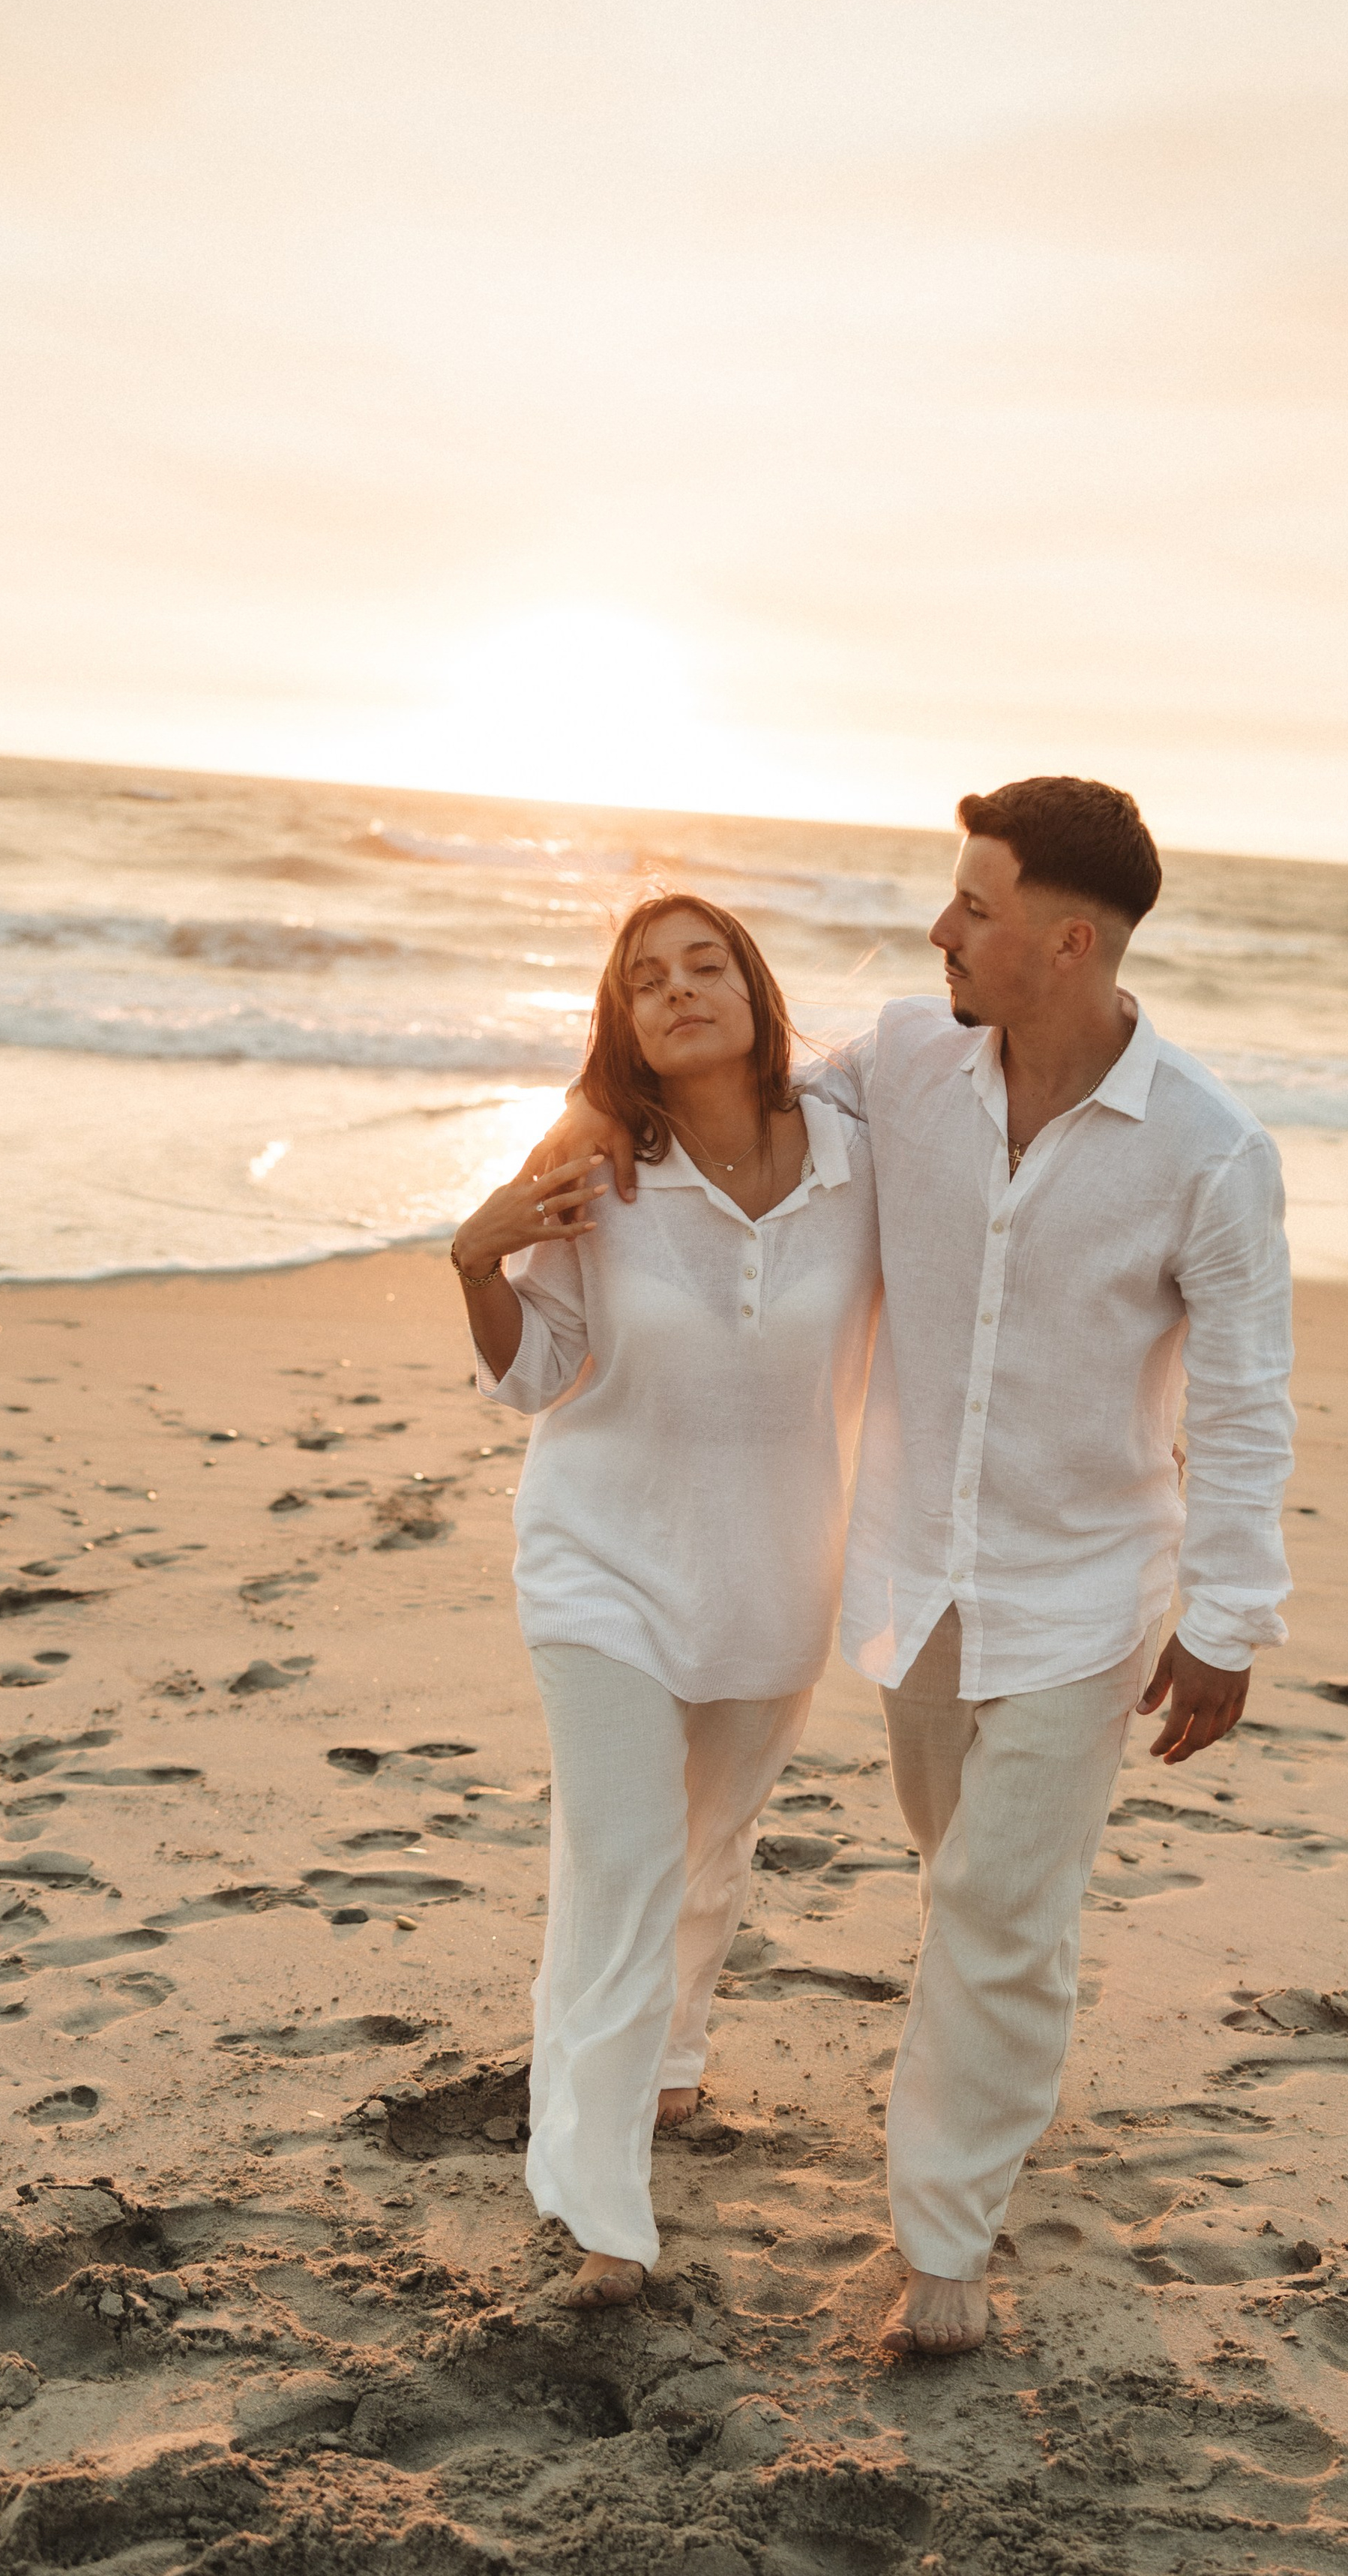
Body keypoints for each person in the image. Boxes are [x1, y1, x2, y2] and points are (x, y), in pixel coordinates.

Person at [543, 778, 1294, 2356]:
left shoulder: (1208, 1155)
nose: (937, 928)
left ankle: (942, 2248)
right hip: (911, 1581)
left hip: (1084, 1590)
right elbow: (727, 1104)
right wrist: (578, 1131)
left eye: (973, 908)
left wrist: (1226, 1619)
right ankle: (995, 2078)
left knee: (999, 1911)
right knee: (962, 1868)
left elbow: (1241, 1399)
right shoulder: (900, 1068)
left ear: (1065, 941)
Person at [449, 893, 879, 2310]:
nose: (680, 991)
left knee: (711, 1850)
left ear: (755, 993)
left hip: (776, 1567)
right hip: (600, 1560)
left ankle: (674, 2054)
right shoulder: (598, 1170)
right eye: (647, 980)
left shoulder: (861, 1163)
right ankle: (600, 2211)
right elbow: (533, 1377)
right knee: (622, 1870)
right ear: (621, 1022)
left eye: (707, 966)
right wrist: (478, 1261)